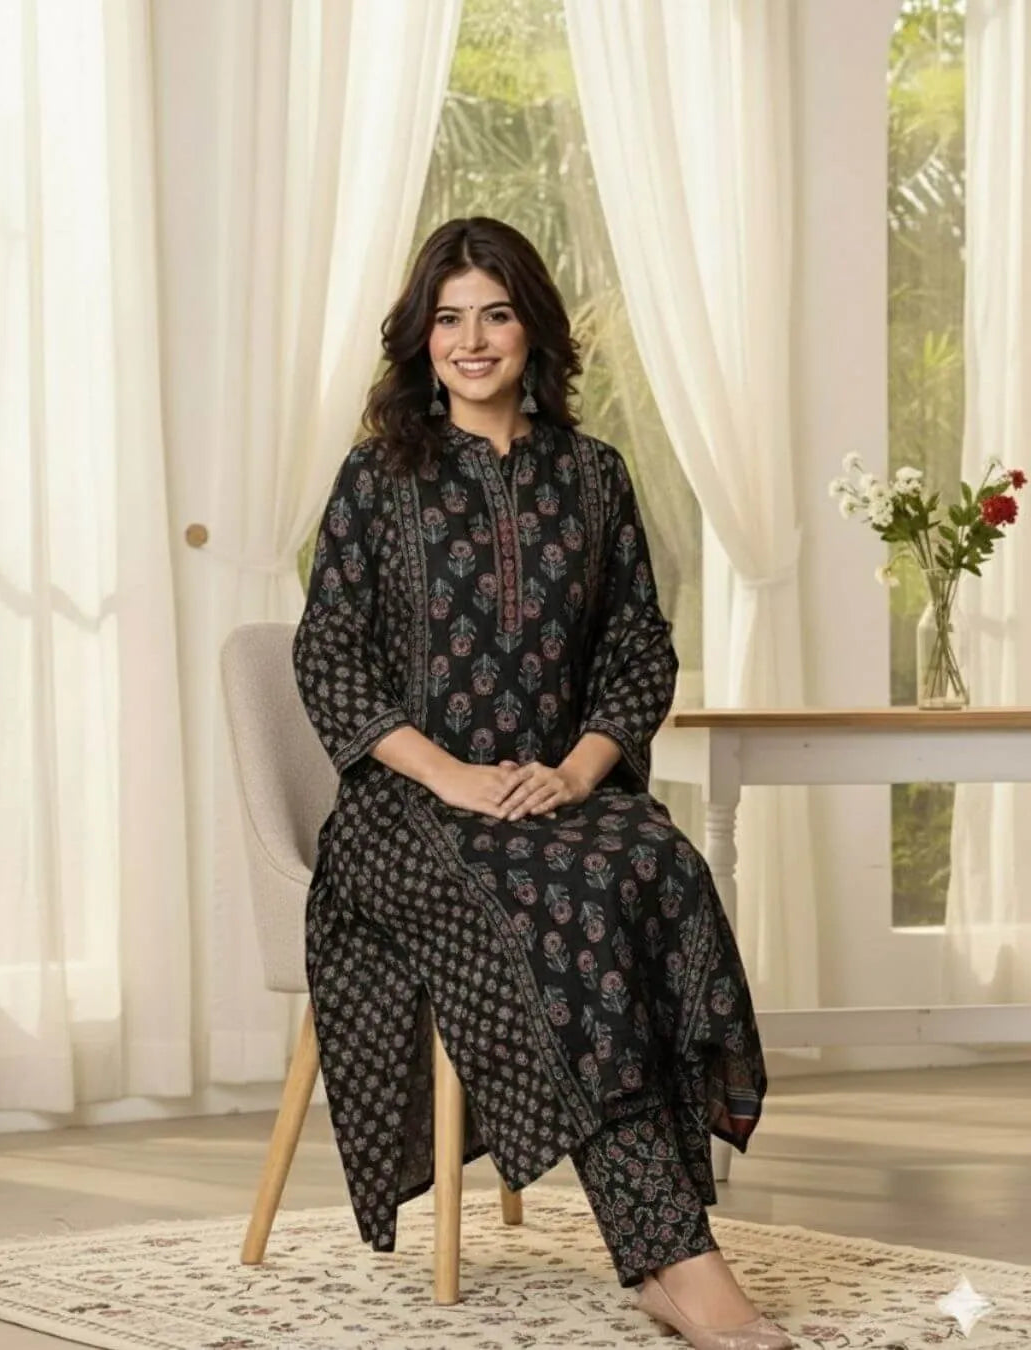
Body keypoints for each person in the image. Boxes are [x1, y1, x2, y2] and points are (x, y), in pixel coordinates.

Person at [293, 216, 792, 1350]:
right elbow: (330, 654)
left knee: (655, 862)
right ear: (422, 337)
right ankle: (675, 1261)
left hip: (558, 798)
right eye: (449, 317)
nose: (472, 340)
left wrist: (575, 773)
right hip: (406, 814)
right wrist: (455, 780)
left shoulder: (593, 475)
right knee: (559, 903)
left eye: (497, 314)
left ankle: (671, 1240)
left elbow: (636, 649)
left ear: (534, 330)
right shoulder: (380, 475)